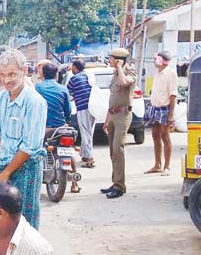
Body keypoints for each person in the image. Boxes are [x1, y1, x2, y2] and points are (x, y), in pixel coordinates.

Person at [0, 49, 47, 229]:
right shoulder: (2, 97)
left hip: (26, 169)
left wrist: (6, 172)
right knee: (0, 219)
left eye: (12, 74)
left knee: (24, 222)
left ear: (24, 71)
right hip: (4, 167)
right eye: (3, 75)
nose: (7, 80)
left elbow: (29, 146)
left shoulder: (35, 102)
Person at [36, 61, 80, 193]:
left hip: (45, 128)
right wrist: (65, 121)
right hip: (61, 127)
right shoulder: (63, 89)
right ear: (56, 74)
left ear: (42, 74)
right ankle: (75, 184)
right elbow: (68, 110)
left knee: (34, 150)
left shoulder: (38, 88)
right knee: (68, 150)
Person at [101, 48, 137, 199]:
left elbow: (124, 83)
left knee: (118, 149)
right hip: (113, 114)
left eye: (111, 58)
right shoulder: (115, 74)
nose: (109, 61)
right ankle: (115, 181)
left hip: (123, 115)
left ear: (118, 60)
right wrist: (107, 120)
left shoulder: (129, 72)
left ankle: (120, 186)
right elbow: (113, 98)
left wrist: (119, 68)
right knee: (112, 151)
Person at [144, 51, 178, 177]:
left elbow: (173, 95)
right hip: (155, 108)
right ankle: (157, 165)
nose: (154, 61)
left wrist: (171, 114)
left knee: (165, 137)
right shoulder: (157, 73)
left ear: (162, 60)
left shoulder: (171, 73)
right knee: (155, 135)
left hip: (165, 109)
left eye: (156, 59)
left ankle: (167, 166)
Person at [67, 60, 96, 168]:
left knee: (85, 133)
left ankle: (90, 158)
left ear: (75, 67)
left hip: (83, 108)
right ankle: (84, 154)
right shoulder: (87, 76)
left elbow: (66, 93)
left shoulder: (74, 79)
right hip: (93, 108)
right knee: (88, 132)